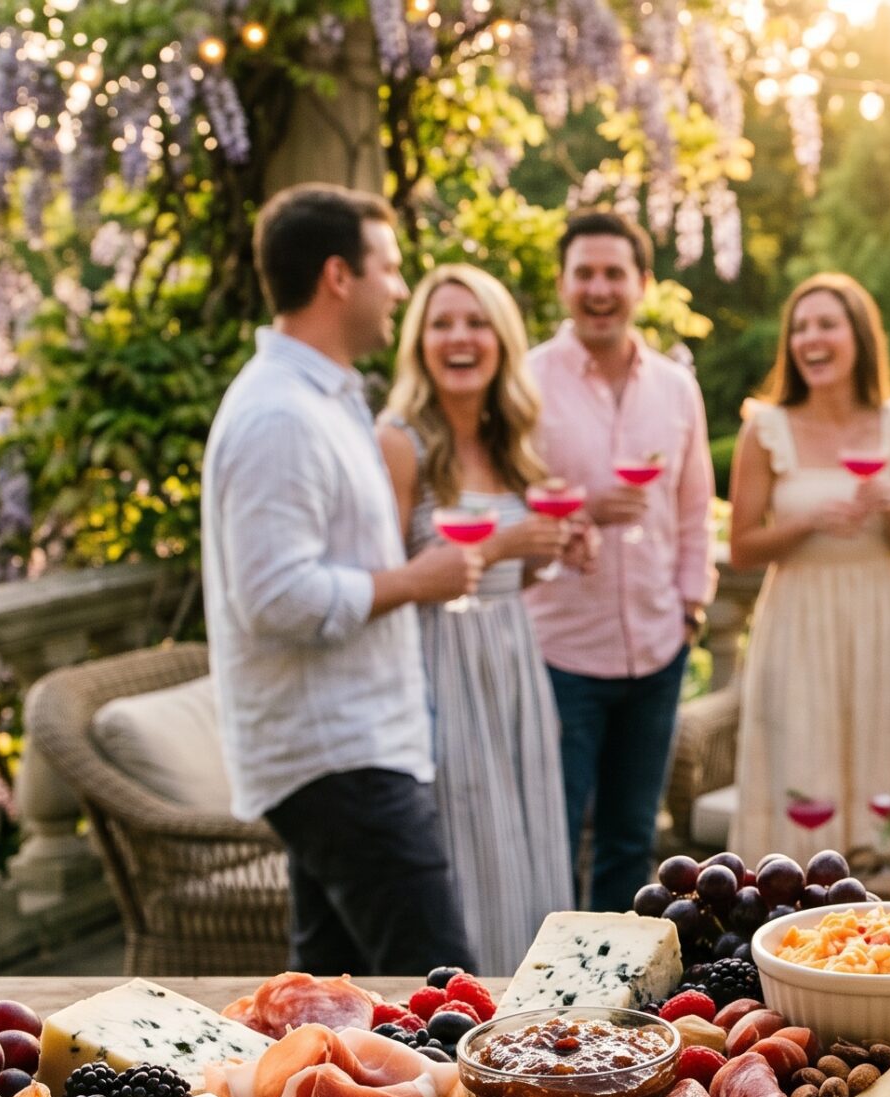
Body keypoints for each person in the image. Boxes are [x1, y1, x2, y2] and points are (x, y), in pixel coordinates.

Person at [201, 183, 481, 976]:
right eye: (388, 268)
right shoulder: (279, 416)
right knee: (448, 993)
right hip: (338, 759)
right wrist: (415, 580)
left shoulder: (323, 400)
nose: (399, 288)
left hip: (353, 748)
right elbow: (275, 597)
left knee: (328, 1001)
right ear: (337, 276)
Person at [377, 263, 583, 970]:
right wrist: (507, 541)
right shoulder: (398, 442)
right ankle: (467, 1014)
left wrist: (550, 548)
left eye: (475, 323)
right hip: (440, 667)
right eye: (442, 323)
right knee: (471, 851)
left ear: (500, 340)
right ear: (420, 342)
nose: (459, 338)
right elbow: (393, 578)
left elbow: (512, 570)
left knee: (529, 846)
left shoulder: (511, 443)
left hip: (514, 664)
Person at [525, 210, 717, 910]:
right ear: (563, 283)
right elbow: (508, 506)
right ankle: (541, 998)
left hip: (658, 650)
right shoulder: (524, 384)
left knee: (632, 839)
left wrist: (692, 608)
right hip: (560, 654)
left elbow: (695, 508)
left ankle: (612, 997)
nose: (599, 289)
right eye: (585, 274)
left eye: (614, 274)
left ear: (641, 284)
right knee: (552, 833)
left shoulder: (675, 387)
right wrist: (584, 509)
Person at [726, 273, 890, 858]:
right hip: (797, 620)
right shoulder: (765, 429)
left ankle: (886, 927)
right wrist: (809, 522)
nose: (809, 338)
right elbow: (742, 549)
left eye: (826, 325)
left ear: (859, 337)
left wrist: (889, 511)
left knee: (882, 768)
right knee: (801, 764)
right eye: (799, 327)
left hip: (877, 619)